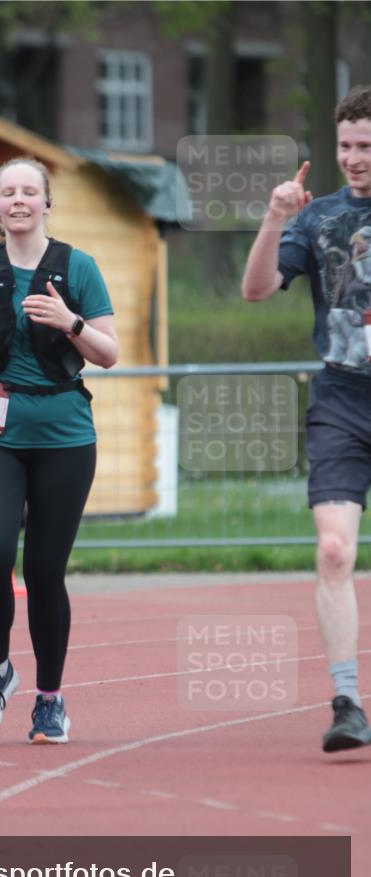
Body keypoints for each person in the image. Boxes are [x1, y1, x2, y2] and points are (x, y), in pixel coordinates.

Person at [0, 157, 118, 743]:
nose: (18, 200)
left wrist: (71, 322)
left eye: (29, 191)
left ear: (46, 203)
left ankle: (50, 699)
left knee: (44, 572)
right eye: (8, 191)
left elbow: (109, 353)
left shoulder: (77, 267)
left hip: (64, 436)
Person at [242, 85, 371, 753]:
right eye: (345, 146)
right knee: (331, 549)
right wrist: (272, 219)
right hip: (342, 399)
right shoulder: (316, 218)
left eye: (365, 147)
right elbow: (256, 289)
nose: (352, 158)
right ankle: (346, 701)